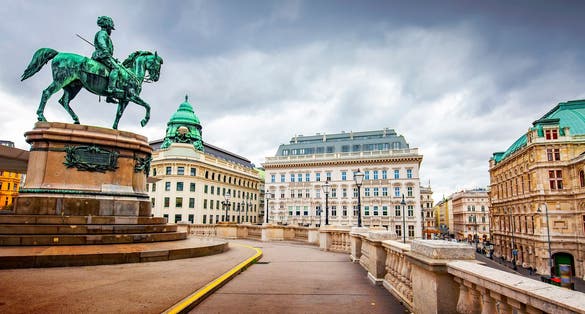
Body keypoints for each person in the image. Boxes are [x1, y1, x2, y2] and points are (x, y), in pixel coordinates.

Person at [92, 16, 122, 103]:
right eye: (111, 29)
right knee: (116, 68)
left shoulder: (103, 34)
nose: (111, 31)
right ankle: (111, 89)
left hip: (105, 55)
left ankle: (110, 96)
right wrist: (105, 51)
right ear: (108, 26)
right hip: (102, 55)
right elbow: (101, 43)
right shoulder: (102, 34)